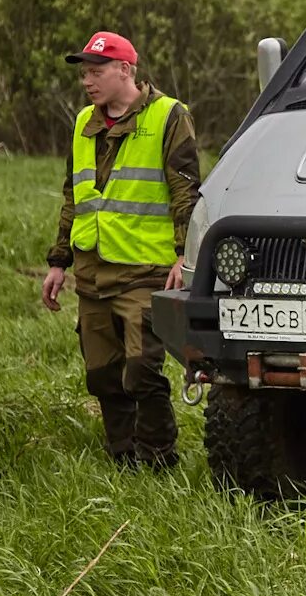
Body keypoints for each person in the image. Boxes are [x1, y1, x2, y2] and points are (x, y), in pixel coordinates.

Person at [42, 31, 201, 469]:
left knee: (142, 371)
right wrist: (59, 262)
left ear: (126, 70)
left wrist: (184, 255)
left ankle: (157, 458)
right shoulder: (82, 122)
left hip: (145, 270)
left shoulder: (170, 116)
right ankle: (123, 457)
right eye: (84, 74)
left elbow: (186, 190)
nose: (87, 82)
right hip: (92, 273)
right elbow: (74, 196)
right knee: (102, 374)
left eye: (96, 72)